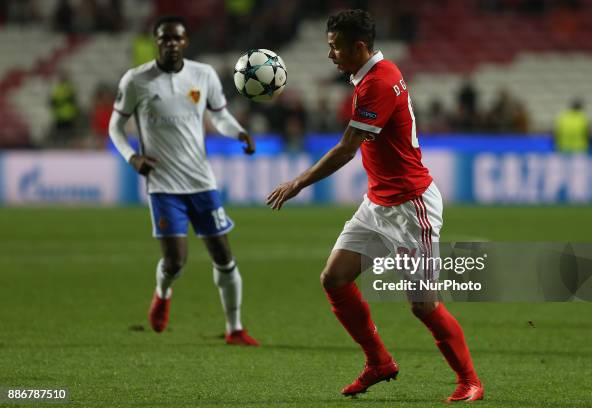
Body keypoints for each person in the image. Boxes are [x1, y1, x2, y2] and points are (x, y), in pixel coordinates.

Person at [267, 9, 483, 402]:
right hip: (379, 202)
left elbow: (348, 148)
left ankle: (470, 381)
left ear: (359, 47)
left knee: (422, 304)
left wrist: (298, 182)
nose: (330, 55)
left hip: (411, 205)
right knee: (334, 278)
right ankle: (378, 362)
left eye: (335, 48)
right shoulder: (374, 74)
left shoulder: (378, 84)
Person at [108, 16, 259, 346]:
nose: (171, 44)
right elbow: (115, 128)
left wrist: (239, 132)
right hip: (163, 185)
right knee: (176, 261)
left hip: (202, 181)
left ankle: (234, 328)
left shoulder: (202, 74)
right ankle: (163, 293)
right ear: (156, 42)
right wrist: (132, 157)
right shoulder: (136, 80)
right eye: (165, 39)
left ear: (186, 42)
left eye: (177, 38)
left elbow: (218, 115)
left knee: (224, 257)